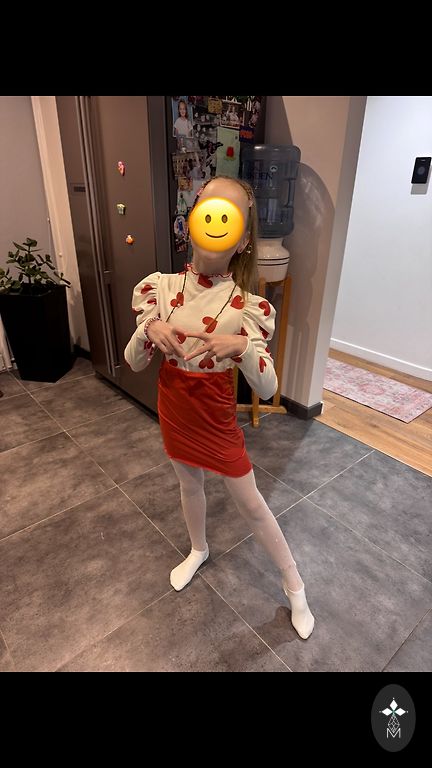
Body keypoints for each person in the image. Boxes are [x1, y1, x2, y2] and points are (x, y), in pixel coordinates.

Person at [124, 176, 314, 640]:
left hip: (215, 414)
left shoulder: (248, 306)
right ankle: (198, 548)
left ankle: (295, 585)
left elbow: (268, 387)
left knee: (251, 504)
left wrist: (243, 347)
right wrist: (148, 331)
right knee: (188, 483)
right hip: (174, 405)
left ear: (243, 239)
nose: (215, 219)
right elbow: (133, 362)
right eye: (207, 208)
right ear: (191, 221)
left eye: (230, 215)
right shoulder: (160, 288)